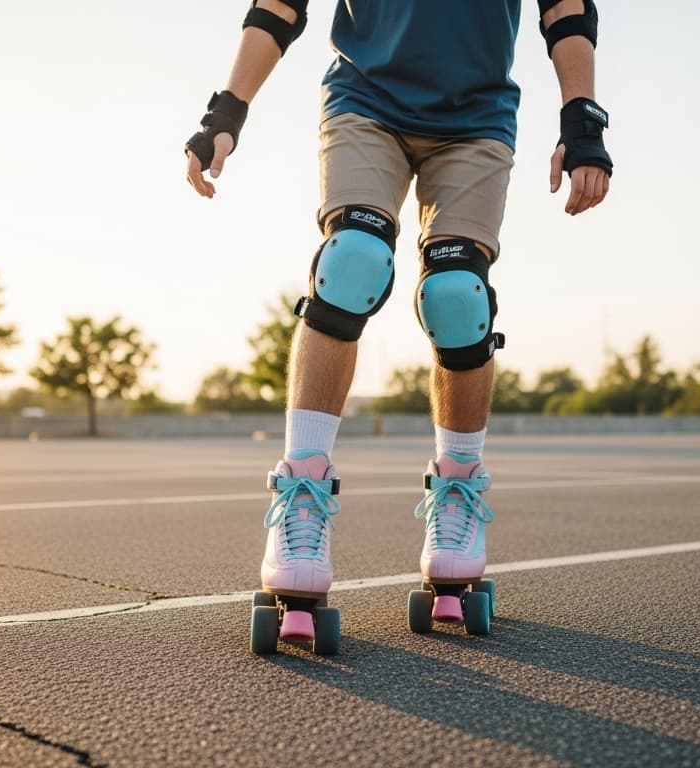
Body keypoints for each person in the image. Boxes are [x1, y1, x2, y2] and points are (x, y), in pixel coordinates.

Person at [184, 0, 612, 654]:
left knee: (457, 297)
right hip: (365, 100)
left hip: (477, 119)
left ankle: (457, 495)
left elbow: (567, 10)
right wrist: (228, 109)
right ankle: (302, 494)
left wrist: (582, 119)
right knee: (350, 263)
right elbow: (280, 6)